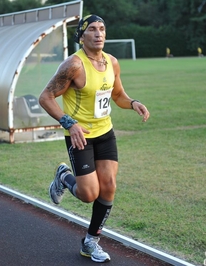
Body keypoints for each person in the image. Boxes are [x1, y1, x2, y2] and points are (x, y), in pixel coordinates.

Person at [39, 14, 150, 263]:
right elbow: (45, 97)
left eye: (102, 29)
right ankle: (63, 177)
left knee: (109, 186)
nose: (99, 33)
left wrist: (133, 103)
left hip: (105, 133)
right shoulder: (73, 66)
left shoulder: (112, 62)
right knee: (89, 194)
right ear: (81, 36)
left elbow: (118, 95)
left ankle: (90, 242)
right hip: (80, 137)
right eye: (92, 29)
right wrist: (69, 123)